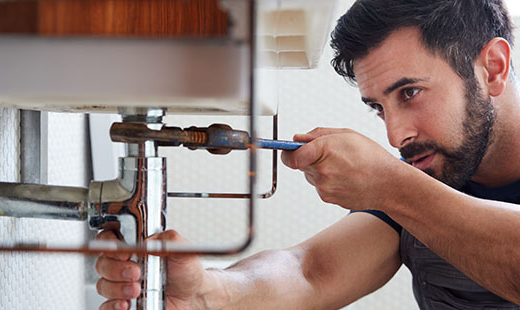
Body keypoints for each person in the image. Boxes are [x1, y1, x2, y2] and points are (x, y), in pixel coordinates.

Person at [95, 0, 520, 309]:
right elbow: (311, 271)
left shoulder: (407, 188)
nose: (395, 135)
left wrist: (389, 183)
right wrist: (210, 292)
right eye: (378, 107)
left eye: (409, 93)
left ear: (493, 67)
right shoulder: (426, 178)